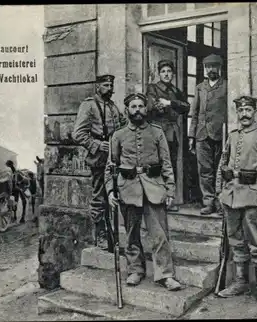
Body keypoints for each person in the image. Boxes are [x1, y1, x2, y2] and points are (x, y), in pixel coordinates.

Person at [105, 93, 183, 291]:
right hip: (128, 189)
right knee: (132, 234)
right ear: (127, 110)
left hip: (154, 188)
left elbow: (167, 163)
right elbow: (111, 166)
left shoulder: (157, 133)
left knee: (159, 234)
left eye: (141, 106)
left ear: (146, 109)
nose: (138, 109)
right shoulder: (118, 136)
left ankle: (165, 274)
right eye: (133, 106)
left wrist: (170, 190)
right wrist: (110, 191)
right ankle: (135, 270)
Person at [215, 96, 257, 310]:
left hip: (253, 196)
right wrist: (219, 192)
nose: (244, 114)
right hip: (231, 196)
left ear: (255, 112)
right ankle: (240, 283)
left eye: (248, 110)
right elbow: (222, 165)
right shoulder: (232, 137)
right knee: (235, 241)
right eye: (241, 110)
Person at [72, 74, 128, 249]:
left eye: (111, 85)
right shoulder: (88, 105)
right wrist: (97, 144)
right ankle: (101, 235)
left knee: (115, 193)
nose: (109, 89)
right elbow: (78, 134)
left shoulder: (113, 106)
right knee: (99, 197)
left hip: (114, 157)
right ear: (98, 87)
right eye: (106, 85)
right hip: (99, 157)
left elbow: (123, 125)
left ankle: (114, 234)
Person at [146, 59, 190, 211]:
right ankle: (156, 198)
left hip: (172, 133)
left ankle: (170, 200)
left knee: (170, 165)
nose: (166, 74)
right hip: (157, 132)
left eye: (169, 71)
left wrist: (170, 103)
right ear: (159, 74)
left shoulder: (176, 91)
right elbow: (151, 105)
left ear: (173, 74)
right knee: (156, 165)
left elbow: (186, 107)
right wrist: (159, 106)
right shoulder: (153, 88)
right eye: (163, 71)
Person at [188, 54, 227, 215]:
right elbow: (194, 112)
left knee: (220, 169)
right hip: (201, 134)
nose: (211, 69)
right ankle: (208, 202)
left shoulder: (226, 86)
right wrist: (191, 136)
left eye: (214, 66)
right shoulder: (199, 87)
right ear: (205, 69)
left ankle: (220, 203)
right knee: (204, 170)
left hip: (220, 135)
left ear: (220, 68)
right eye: (208, 66)